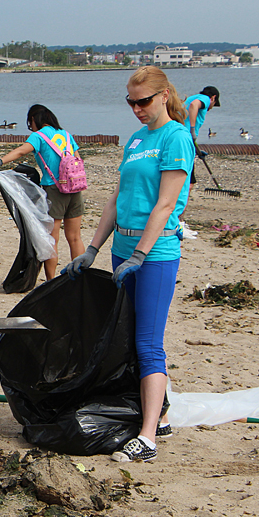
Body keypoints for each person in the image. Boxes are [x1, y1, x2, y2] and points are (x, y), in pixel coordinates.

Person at [63, 66, 194, 463]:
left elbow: (166, 203)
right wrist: (93, 248)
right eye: (130, 102)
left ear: (163, 95)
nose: (137, 109)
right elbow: (115, 199)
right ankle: (162, 413)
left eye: (144, 101)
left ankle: (149, 437)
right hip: (123, 247)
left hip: (154, 256)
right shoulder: (136, 140)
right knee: (129, 336)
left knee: (149, 344)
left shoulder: (176, 138)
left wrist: (141, 255)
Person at [0, 104, 85, 281]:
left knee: (52, 239)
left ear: (33, 121)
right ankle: (81, 278)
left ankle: (51, 281)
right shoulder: (66, 135)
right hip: (75, 187)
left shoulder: (39, 136)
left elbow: (21, 151)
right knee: (75, 237)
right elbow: (77, 159)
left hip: (54, 189)